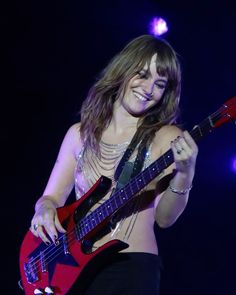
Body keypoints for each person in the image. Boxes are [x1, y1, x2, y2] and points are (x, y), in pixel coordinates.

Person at [30, 34, 198, 294]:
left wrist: (185, 173)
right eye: (142, 74)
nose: (148, 88)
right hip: (72, 269)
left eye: (160, 83)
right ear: (124, 69)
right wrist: (44, 208)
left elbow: (165, 219)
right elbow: (50, 197)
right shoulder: (79, 134)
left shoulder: (167, 137)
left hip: (129, 266)